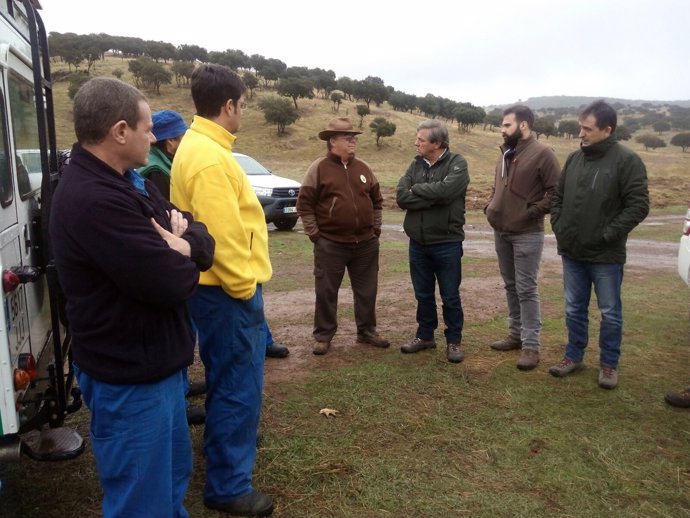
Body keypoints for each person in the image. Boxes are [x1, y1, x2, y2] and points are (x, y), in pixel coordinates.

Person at [49, 77, 214, 518]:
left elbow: (193, 227)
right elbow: (172, 283)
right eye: (146, 128)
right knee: (143, 503)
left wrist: (185, 243)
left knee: (169, 486)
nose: (153, 136)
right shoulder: (95, 198)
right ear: (120, 131)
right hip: (131, 381)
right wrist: (184, 250)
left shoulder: (124, 182)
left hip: (156, 369)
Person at [170, 63, 274, 517]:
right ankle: (229, 484)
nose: (243, 113)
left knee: (226, 379)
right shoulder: (211, 158)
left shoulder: (200, 146)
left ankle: (222, 459)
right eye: (244, 104)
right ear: (229, 105)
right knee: (237, 385)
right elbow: (224, 241)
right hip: (226, 292)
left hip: (213, 290)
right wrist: (245, 289)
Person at [549, 100, 649, 389]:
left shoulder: (627, 161)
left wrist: (608, 234)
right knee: (573, 308)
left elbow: (638, 205)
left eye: (587, 128)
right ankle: (573, 356)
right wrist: (560, 226)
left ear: (607, 129)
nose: (581, 133)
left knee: (610, 312)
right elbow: (558, 197)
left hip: (606, 254)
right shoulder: (574, 159)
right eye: (581, 127)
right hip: (572, 251)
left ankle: (608, 364)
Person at [296, 117, 389, 355]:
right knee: (326, 291)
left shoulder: (364, 168)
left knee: (367, 290)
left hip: (366, 244)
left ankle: (367, 331)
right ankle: (323, 335)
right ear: (332, 141)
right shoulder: (318, 168)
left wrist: (375, 230)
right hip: (331, 244)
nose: (352, 141)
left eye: (354, 137)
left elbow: (377, 201)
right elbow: (304, 205)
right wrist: (315, 234)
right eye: (347, 138)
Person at [485, 105, 561, 370]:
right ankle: (515, 335)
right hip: (501, 230)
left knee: (526, 289)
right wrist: (490, 205)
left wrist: (531, 213)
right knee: (510, 285)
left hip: (527, 233)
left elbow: (555, 193)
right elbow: (499, 186)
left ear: (524, 125)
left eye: (507, 125)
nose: (502, 129)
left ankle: (531, 346)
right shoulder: (506, 152)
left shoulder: (544, 154)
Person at [396, 119, 470, 363]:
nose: (416, 143)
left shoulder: (457, 163)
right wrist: (431, 194)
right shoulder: (415, 164)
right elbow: (401, 197)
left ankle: (454, 341)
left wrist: (417, 189)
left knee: (450, 295)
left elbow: (447, 192)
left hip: (447, 243)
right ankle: (425, 336)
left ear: (437, 143)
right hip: (418, 242)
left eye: (421, 140)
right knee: (423, 294)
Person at [139, 109, 188, 199]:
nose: (188, 139)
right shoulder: (156, 172)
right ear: (171, 141)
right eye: (184, 135)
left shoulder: (153, 157)